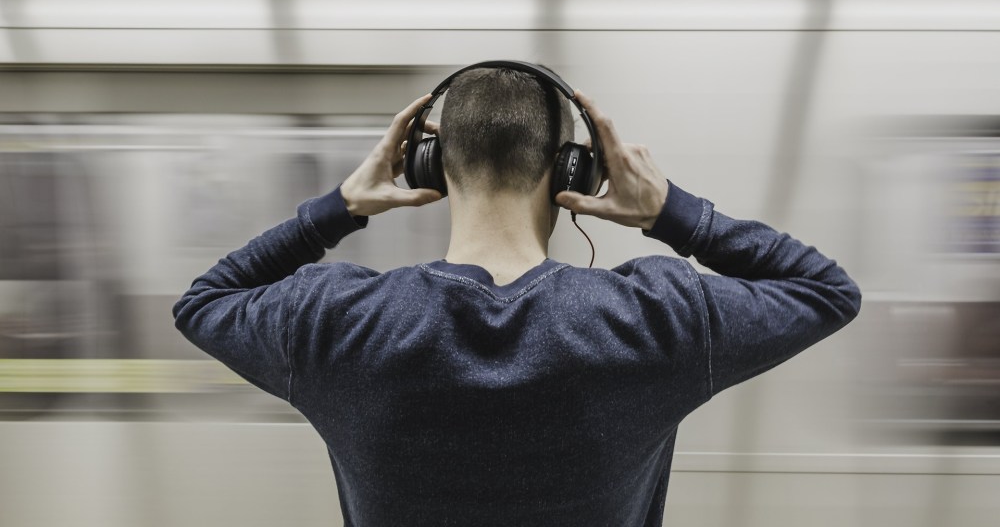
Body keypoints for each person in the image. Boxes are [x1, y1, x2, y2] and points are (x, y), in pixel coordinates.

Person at [173, 64, 861, 527]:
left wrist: (340, 207)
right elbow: (826, 290)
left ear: (428, 166)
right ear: (576, 170)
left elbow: (203, 303)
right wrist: (671, 212)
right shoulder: (657, 317)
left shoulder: (332, 320)